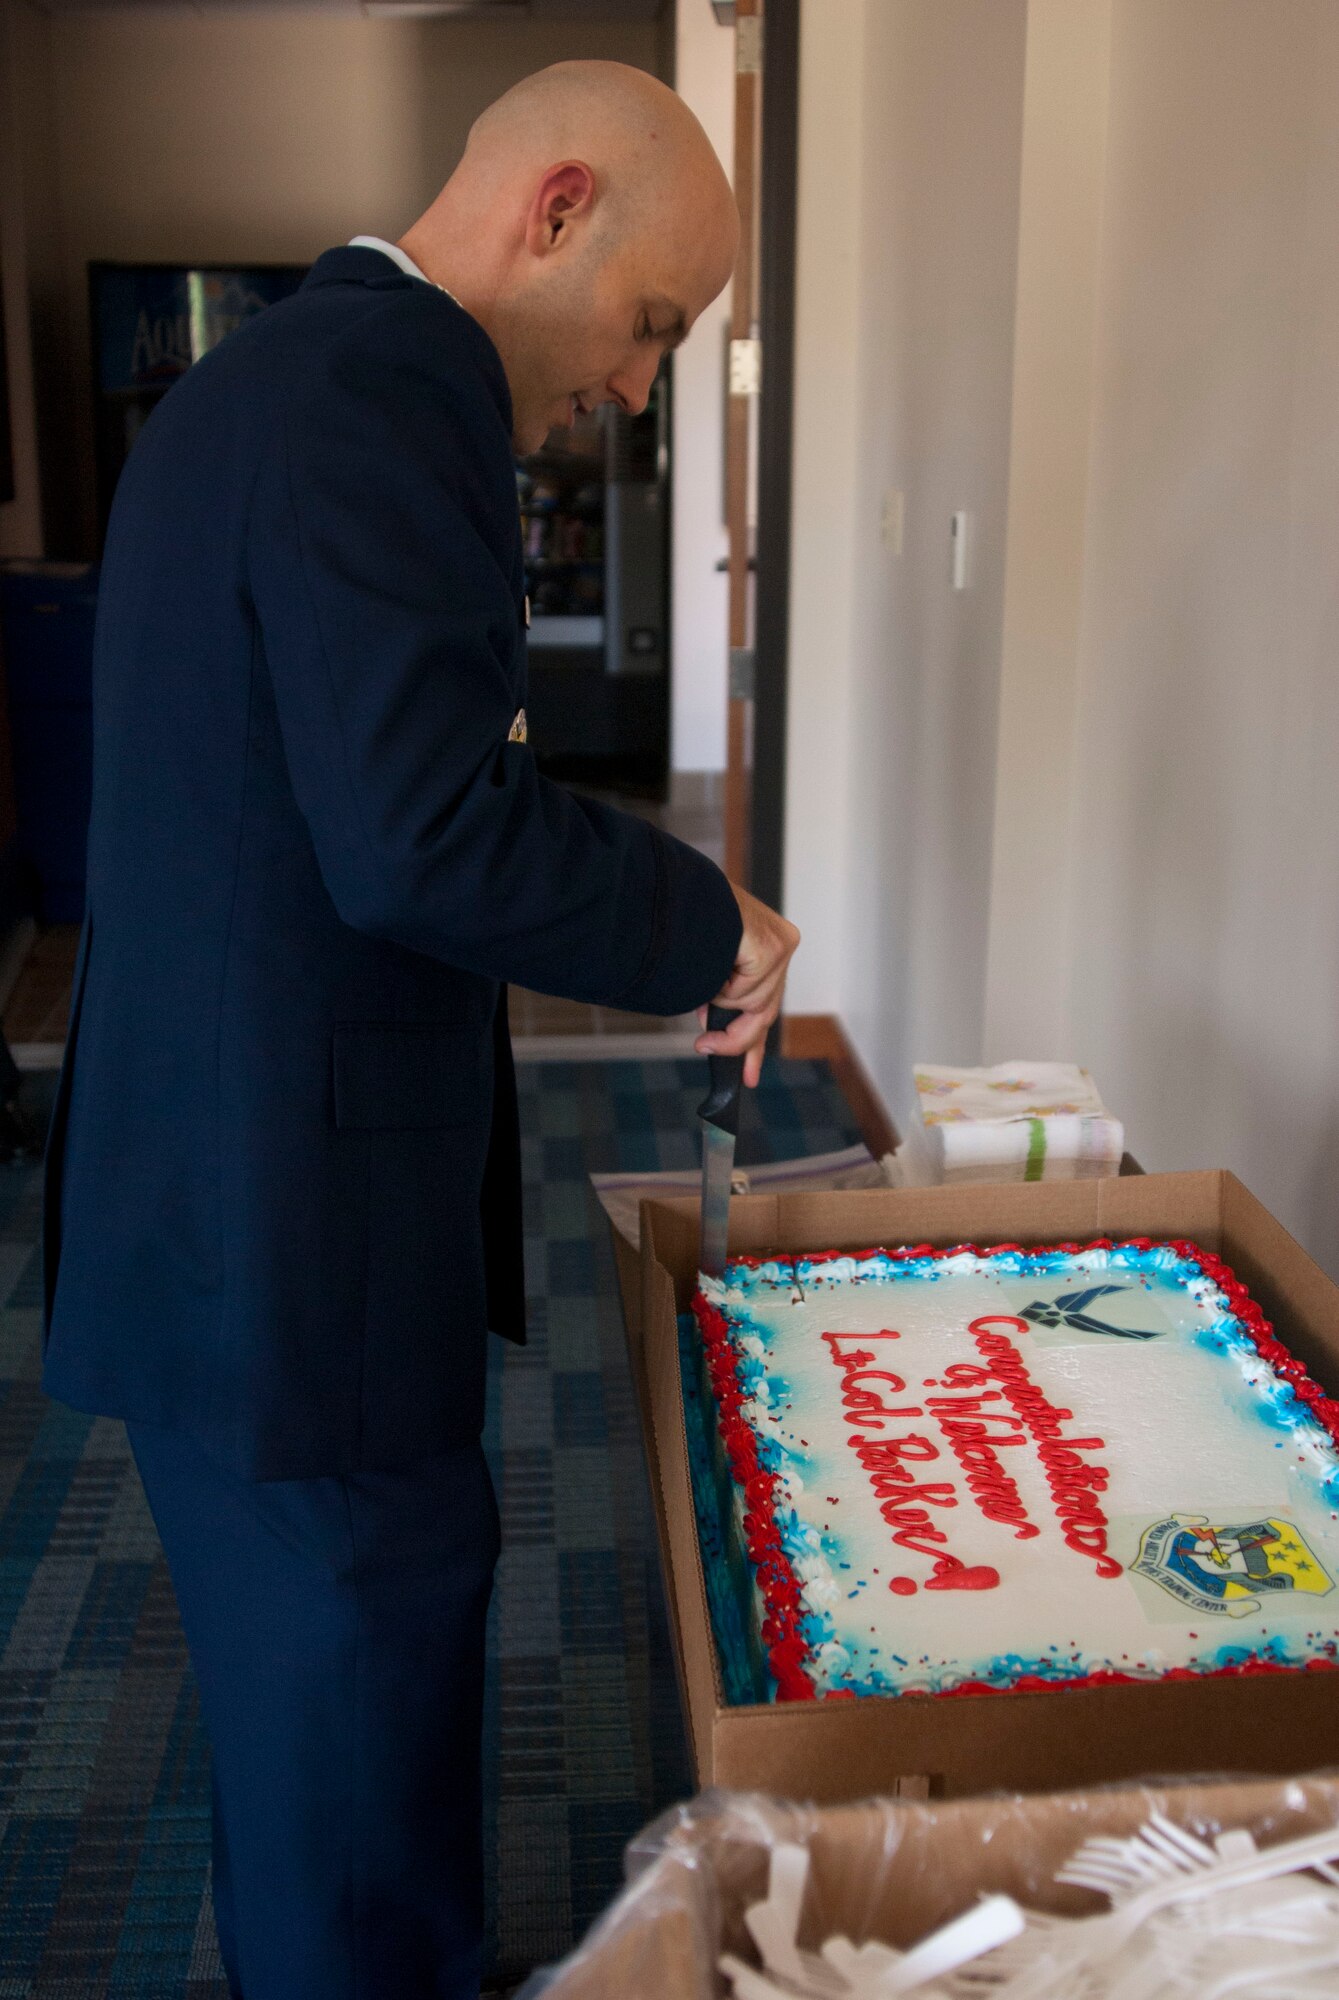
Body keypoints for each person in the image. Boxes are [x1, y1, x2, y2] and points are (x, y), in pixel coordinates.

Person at [39, 57, 799, 2000]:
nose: (635, 389)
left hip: (207, 1210)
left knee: (308, 1771)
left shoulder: (255, 386)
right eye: (648, 324)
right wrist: (703, 913)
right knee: (363, 1811)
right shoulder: (391, 399)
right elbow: (422, 833)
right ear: (552, 211)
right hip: (290, 1254)